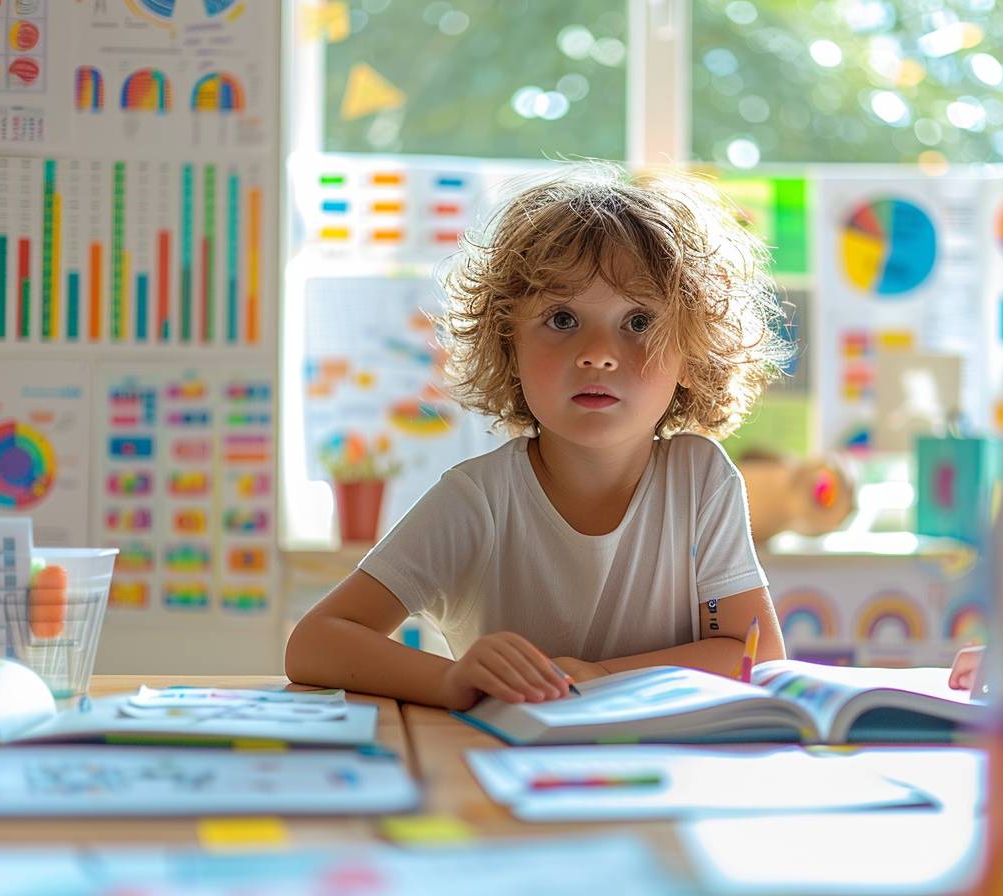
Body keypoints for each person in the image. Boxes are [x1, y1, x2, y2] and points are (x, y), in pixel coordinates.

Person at [286, 163, 794, 711]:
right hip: (499, 773)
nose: (597, 352)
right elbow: (315, 644)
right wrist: (450, 681)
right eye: (562, 318)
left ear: (693, 356)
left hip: (669, 778)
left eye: (639, 322)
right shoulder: (477, 499)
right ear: (509, 348)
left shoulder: (700, 478)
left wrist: (599, 674)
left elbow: (756, 657)